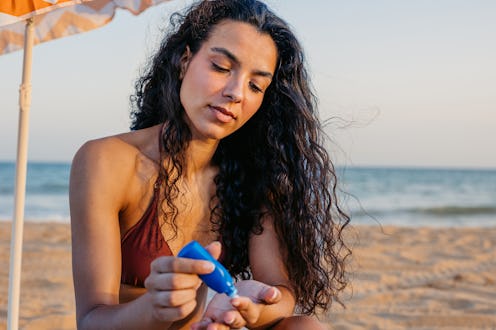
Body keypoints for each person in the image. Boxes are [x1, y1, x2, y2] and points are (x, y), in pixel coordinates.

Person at [70, 0, 351, 329]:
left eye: (255, 85)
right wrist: (153, 308)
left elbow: (282, 291)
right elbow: (91, 320)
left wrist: (256, 305)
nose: (235, 93)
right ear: (184, 61)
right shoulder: (108, 161)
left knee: (304, 327)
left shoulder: (252, 177)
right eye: (220, 67)